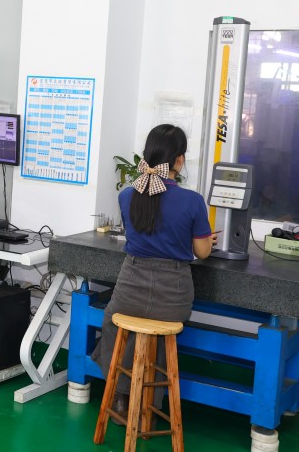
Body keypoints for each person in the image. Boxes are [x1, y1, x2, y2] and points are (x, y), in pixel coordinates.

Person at [93, 124, 217, 422]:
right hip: (173, 295)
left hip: (130, 287)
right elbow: (202, 252)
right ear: (179, 160)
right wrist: (205, 240)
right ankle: (149, 400)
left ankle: (122, 394)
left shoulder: (127, 196)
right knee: (159, 333)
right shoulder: (192, 201)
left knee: (114, 323)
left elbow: (139, 232)